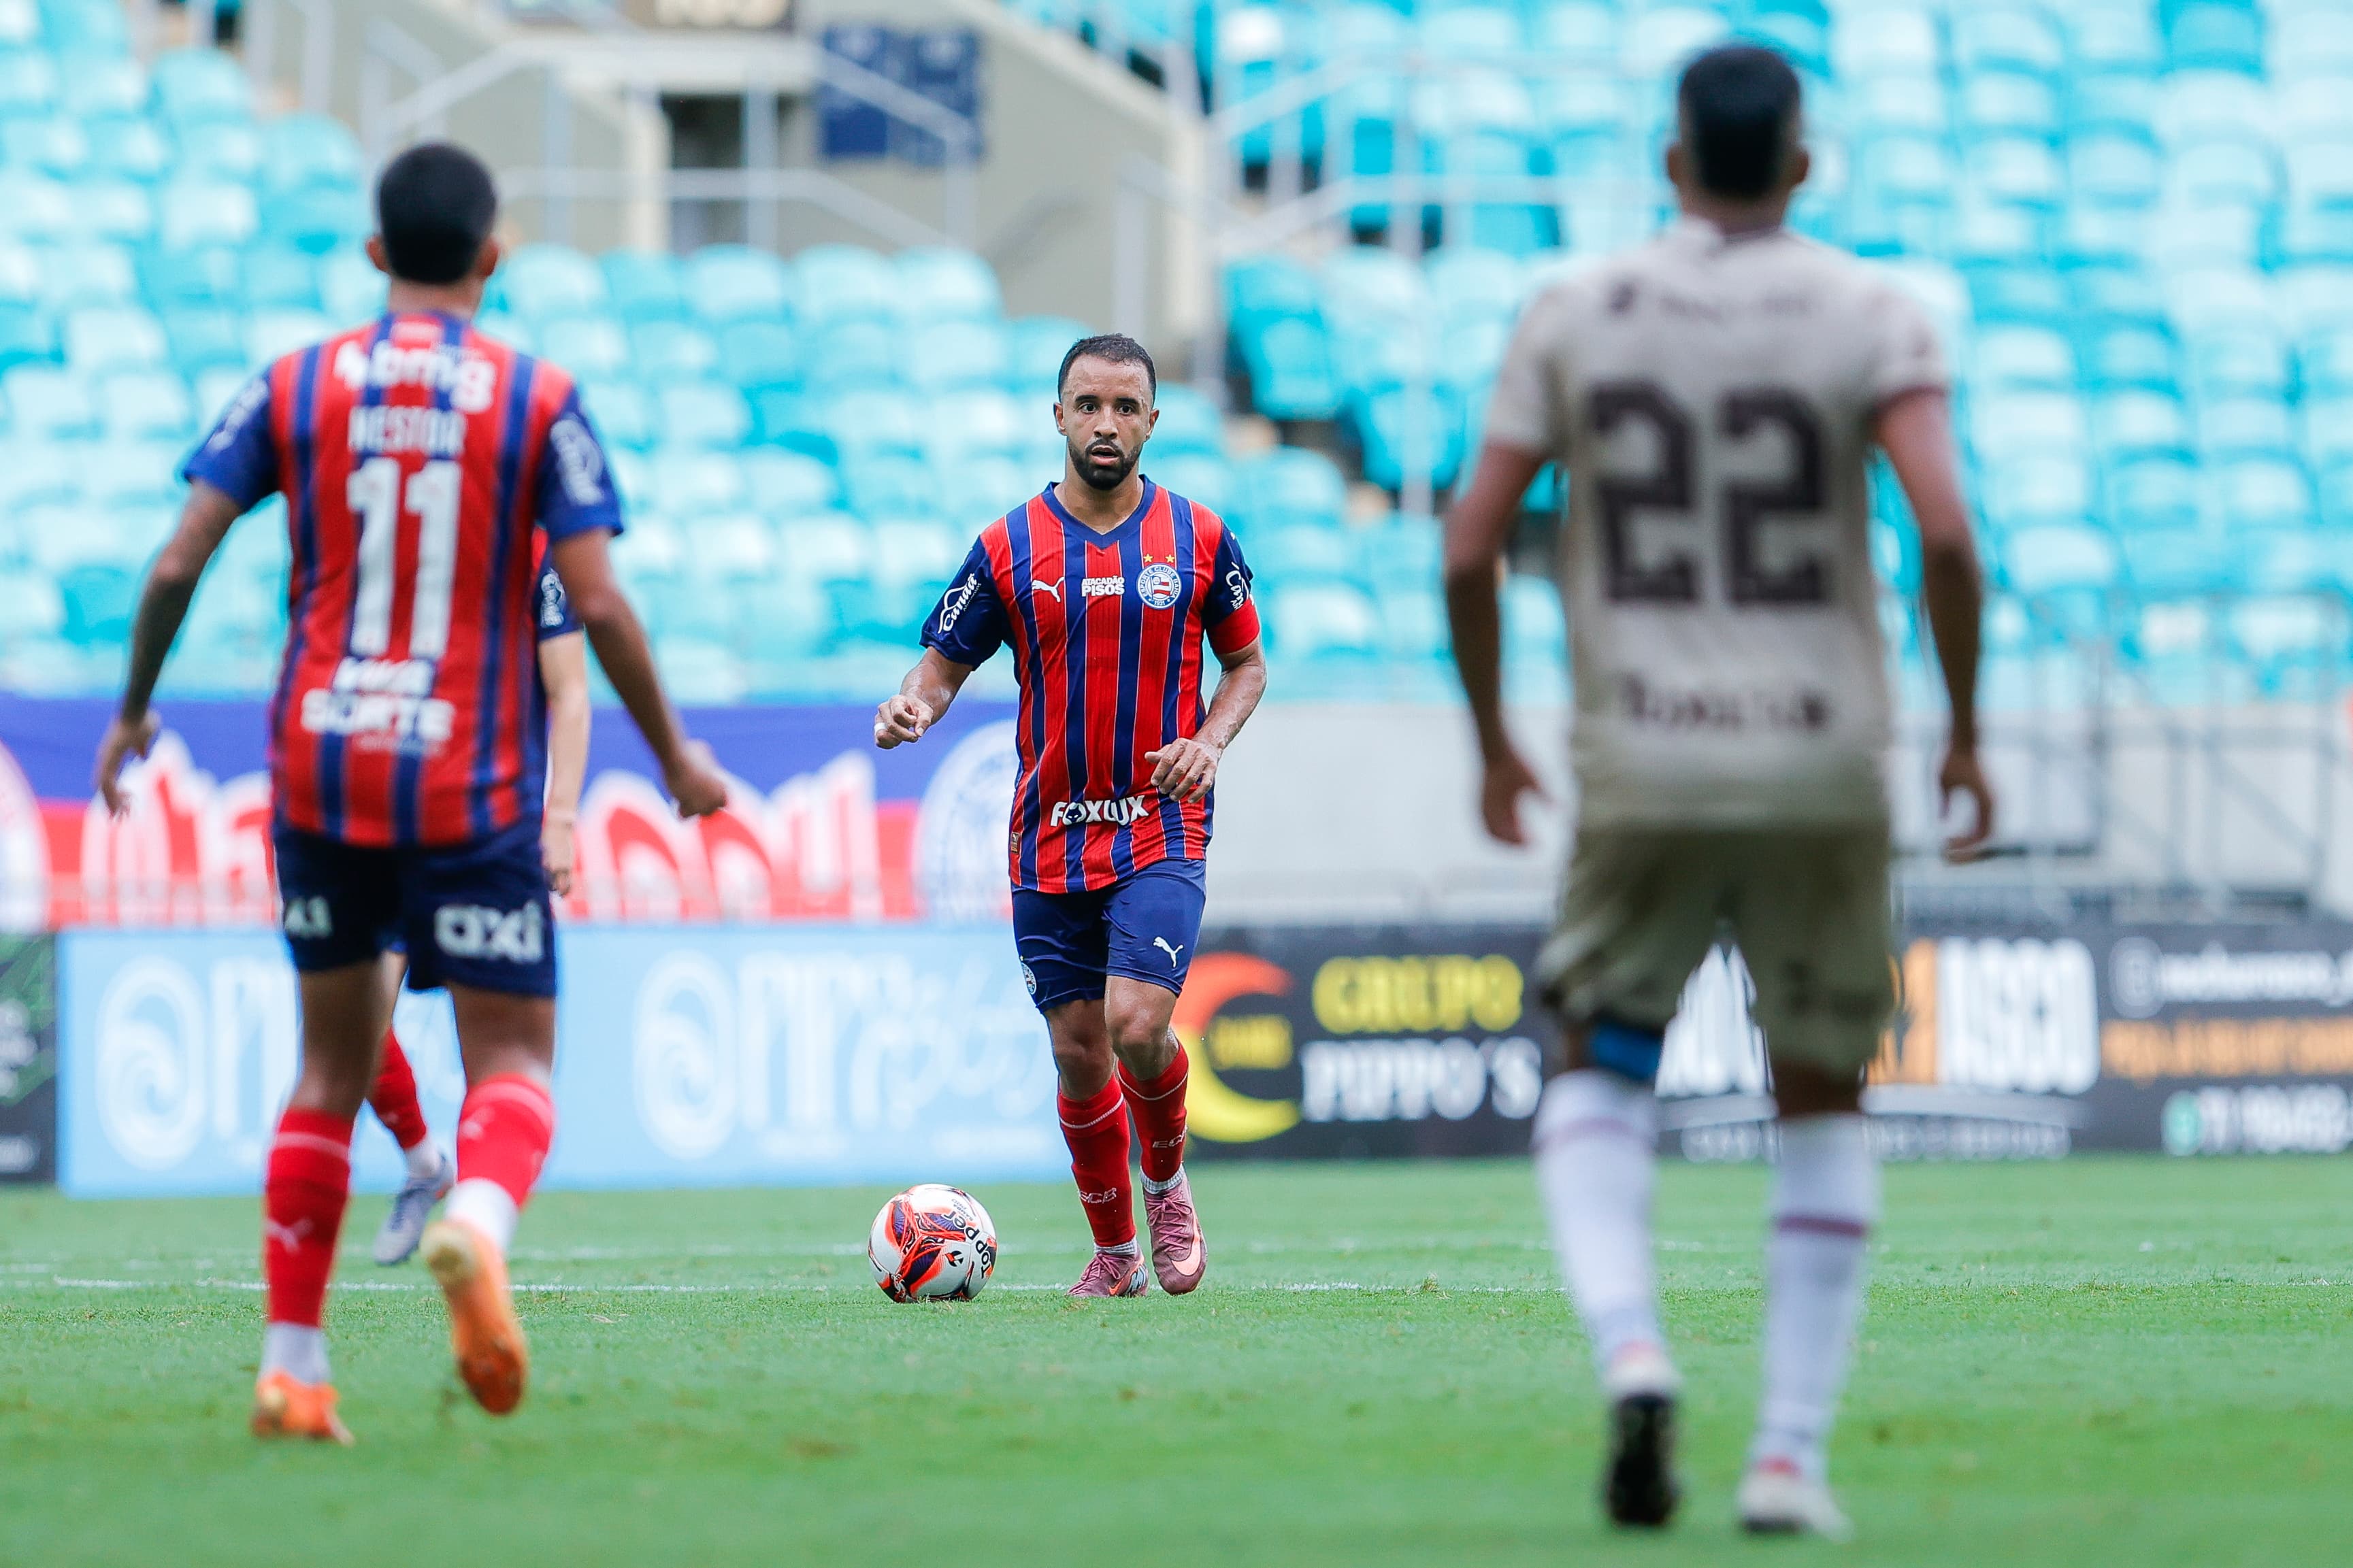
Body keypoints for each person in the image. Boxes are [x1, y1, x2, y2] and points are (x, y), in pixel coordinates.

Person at [92, 142, 729, 1444]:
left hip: (319, 765)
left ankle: (291, 1367)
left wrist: (131, 707)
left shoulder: (296, 383)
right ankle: (476, 1227)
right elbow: (596, 600)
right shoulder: (539, 398)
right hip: (470, 778)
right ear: (493, 258)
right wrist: (672, 757)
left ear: (375, 257)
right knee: (513, 1064)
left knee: (327, 1072)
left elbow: (173, 563)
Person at [1442, 45, 1993, 1540]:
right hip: (1821, 757)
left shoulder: (1574, 312)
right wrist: (1962, 737)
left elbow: (1467, 539)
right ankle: (1786, 1459)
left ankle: (1633, 1351)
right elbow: (1945, 534)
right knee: (1819, 1088)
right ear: (1800, 165)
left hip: (1645, 754)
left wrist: (1494, 738)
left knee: (1601, 1059)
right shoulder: (1872, 311)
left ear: (1670, 164)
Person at [875, 334, 1267, 1299]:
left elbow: (1247, 664)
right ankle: (1117, 1253)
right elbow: (943, 660)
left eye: (1124, 407)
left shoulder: (1201, 539)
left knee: (1139, 1023)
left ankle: (1166, 1187)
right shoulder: (1008, 546)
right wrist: (916, 702)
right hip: (1048, 829)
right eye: (1087, 405)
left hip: (1158, 823)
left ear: (1151, 422)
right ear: (1057, 416)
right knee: (1076, 1048)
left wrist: (1209, 744)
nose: (1105, 423)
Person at [365, 550, 591, 1268]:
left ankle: (474, 1223)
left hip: (484, 830)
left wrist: (558, 820)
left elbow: (570, 690)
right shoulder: (399, 530)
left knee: (496, 1052)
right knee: (356, 1026)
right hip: (384, 822)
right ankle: (425, 1164)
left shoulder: (536, 553)